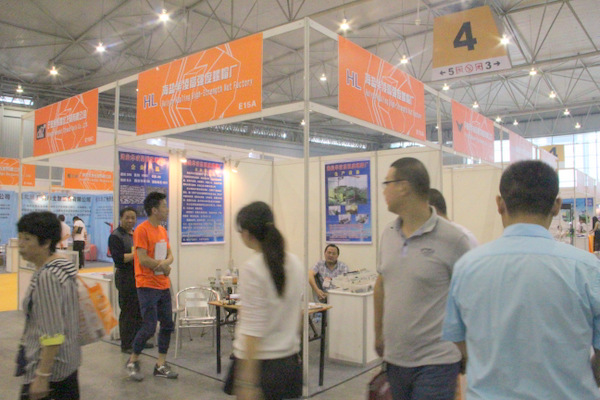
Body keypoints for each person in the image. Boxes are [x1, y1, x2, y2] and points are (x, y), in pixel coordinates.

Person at [442, 160, 600, 399]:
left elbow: (459, 341)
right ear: (557, 205)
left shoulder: (467, 267)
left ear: (499, 204)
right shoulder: (587, 269)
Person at [374, 157, 473, 400]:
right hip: (396, 359)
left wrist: (466, 350)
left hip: (437, 361)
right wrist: (378, 333)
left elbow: (469, 299)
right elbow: (382, 284)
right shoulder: (388, 234)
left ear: (403, 187)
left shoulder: (453, 239)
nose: (384, 190)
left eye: (387, 183)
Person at [226, 201, 303, 400]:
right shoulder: (295, 263)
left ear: (247, 233)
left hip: (261, 366)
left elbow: (252, 330)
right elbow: (298, 316)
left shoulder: (253, 268)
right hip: (289, 363)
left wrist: (246, 382)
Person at [16, 211, 81, 400]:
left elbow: (53, 333)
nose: (20, 244)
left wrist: (42, 376)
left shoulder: (48, 276)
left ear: (45, 242)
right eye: (20, 237)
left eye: (27, 239)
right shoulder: (60, 266)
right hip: (67, 363)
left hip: (52, 373)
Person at [126, 192, 177, 381]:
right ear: (154, 210)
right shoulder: (142, 230)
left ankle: (160, 364)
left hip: (163, 284)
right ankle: (133, 361)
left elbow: (170, 255)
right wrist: (163, 266)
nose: (167, 209)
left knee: (167, 325)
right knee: (148, 327)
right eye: (164, 206)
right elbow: (142, 259)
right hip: (147, 285)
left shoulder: (162, 230)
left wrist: (166, 264)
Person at [108, 207, 154, 354]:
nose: (130, 220)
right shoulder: (115, 236)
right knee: (128, 311)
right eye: (127, 217)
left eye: (133, 218)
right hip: (125, 277)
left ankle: (138, 341)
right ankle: (127, 344)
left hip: (139, 276)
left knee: (139, 310)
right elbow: (118, 259)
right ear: (121, 218)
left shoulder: (135, 234)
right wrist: (137, 254)